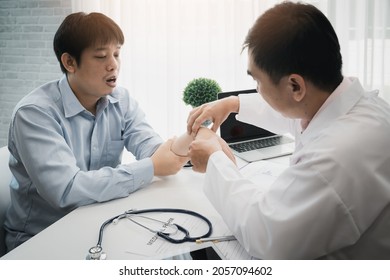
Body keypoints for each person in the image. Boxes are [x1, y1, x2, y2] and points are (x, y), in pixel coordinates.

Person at [187, 2, 390, 259]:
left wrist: (215, 160)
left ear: (295, 85)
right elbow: (297, 114)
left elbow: (266, 233)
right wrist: (233, 103)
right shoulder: (355, 105)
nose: (257, 88)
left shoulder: (334, 159)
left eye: (257, 81)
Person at [4, 12, 188, 252]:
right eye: (101, 56)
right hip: (42, 238)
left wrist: (188, 140)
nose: (113, 64)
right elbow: (67, 190)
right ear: (70, 62)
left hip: (100, 223)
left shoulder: (121, 100)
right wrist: (152, 166)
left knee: (175, 249)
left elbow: (151, 148)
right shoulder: (35, 114)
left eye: (117, 54)